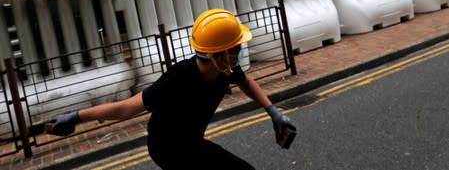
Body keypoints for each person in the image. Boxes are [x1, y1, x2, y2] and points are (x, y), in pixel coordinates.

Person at [50, 9, 296, 169]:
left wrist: (272, 111)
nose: (239, 52)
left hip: (192, 143)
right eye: (236, 48)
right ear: (217, 55)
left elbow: (245, 82)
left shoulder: (225, 69)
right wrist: (76, 117)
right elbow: (126, 108)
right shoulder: (178, 79)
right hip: (167, 149)